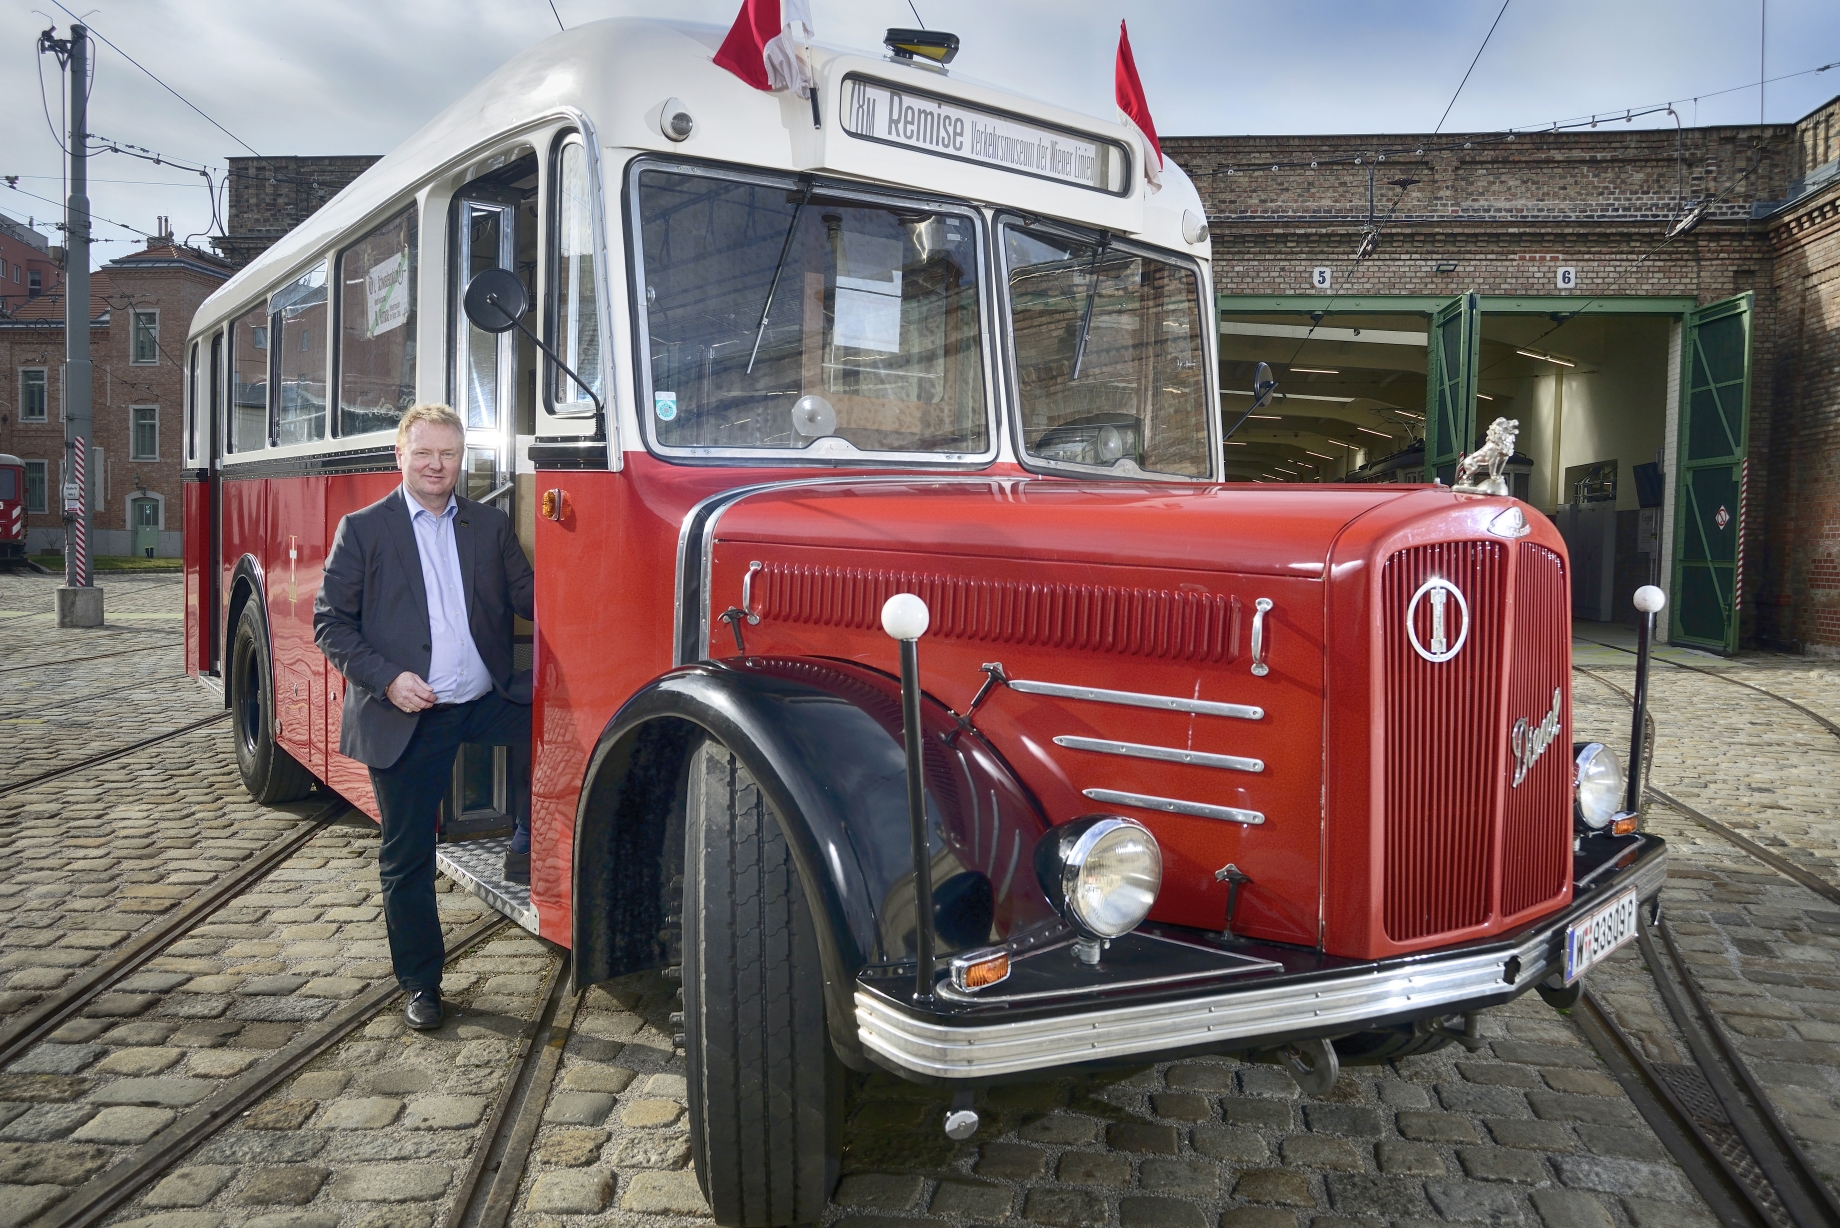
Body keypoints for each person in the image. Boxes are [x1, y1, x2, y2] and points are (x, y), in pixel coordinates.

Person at [313, 403, 534, 1030]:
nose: (437, 465)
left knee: (562, 727)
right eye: (425, 453)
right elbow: (330, 623)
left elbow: (530, 595)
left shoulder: (489, 526)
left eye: (449, 454)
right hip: (410, 710)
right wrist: (387, 679)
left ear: (463, 459)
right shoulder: (364, 530)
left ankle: (526, 833)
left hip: (485, 702)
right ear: (400, 457)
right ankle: (422, 982)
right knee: (407, 854)